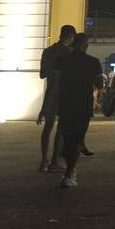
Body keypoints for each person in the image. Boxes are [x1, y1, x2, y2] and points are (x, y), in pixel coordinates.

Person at [57, 33, 104, 188]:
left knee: (68, 138)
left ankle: (69, 170)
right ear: (86, 45)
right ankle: (69, 174)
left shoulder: (63, 61)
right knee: (77, 139)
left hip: (65, 103)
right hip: (83, 104)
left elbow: (55, 83)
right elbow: (99, 85)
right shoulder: (93, 62)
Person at [38, 25, 75, 172]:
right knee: (61, 128)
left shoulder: (47, 52)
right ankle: (55, 160)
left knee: (47, 127)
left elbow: (42, 74)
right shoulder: (70, 53)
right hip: (64, 93)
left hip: (51, 92)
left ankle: (43, 160)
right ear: (71, 37)